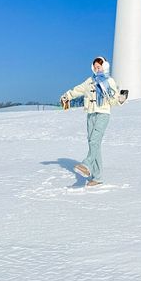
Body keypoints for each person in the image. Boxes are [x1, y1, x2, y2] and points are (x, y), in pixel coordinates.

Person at [60, 56, 127, 187]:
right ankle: (98, 177)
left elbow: (113, 100)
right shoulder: (90, 81)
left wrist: (121, 99)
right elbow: (78, 90)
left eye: (99, 66)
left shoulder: (109, 81)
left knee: (95, 140)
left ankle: (86, 165)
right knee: (93, 144)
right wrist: (67, 96)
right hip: (91, 115)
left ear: (105, 66)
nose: (97, 68)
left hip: (103, 114)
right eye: (95, 67)